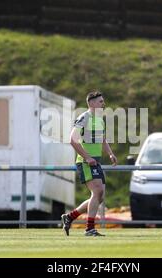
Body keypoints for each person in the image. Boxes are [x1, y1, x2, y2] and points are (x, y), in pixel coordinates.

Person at [61, 91, 117, 236]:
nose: (103, 104)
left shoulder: (100, 119)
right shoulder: (84, 117)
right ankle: (89, 229)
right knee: (97, 192)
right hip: (85, 162)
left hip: (95, 161)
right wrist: (86, 157)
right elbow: (72, 139)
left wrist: (110, 153)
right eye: (100, 101)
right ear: (91, 103)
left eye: (103, 101)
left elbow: (102, 139)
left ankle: (70, 217)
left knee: (100, 196)